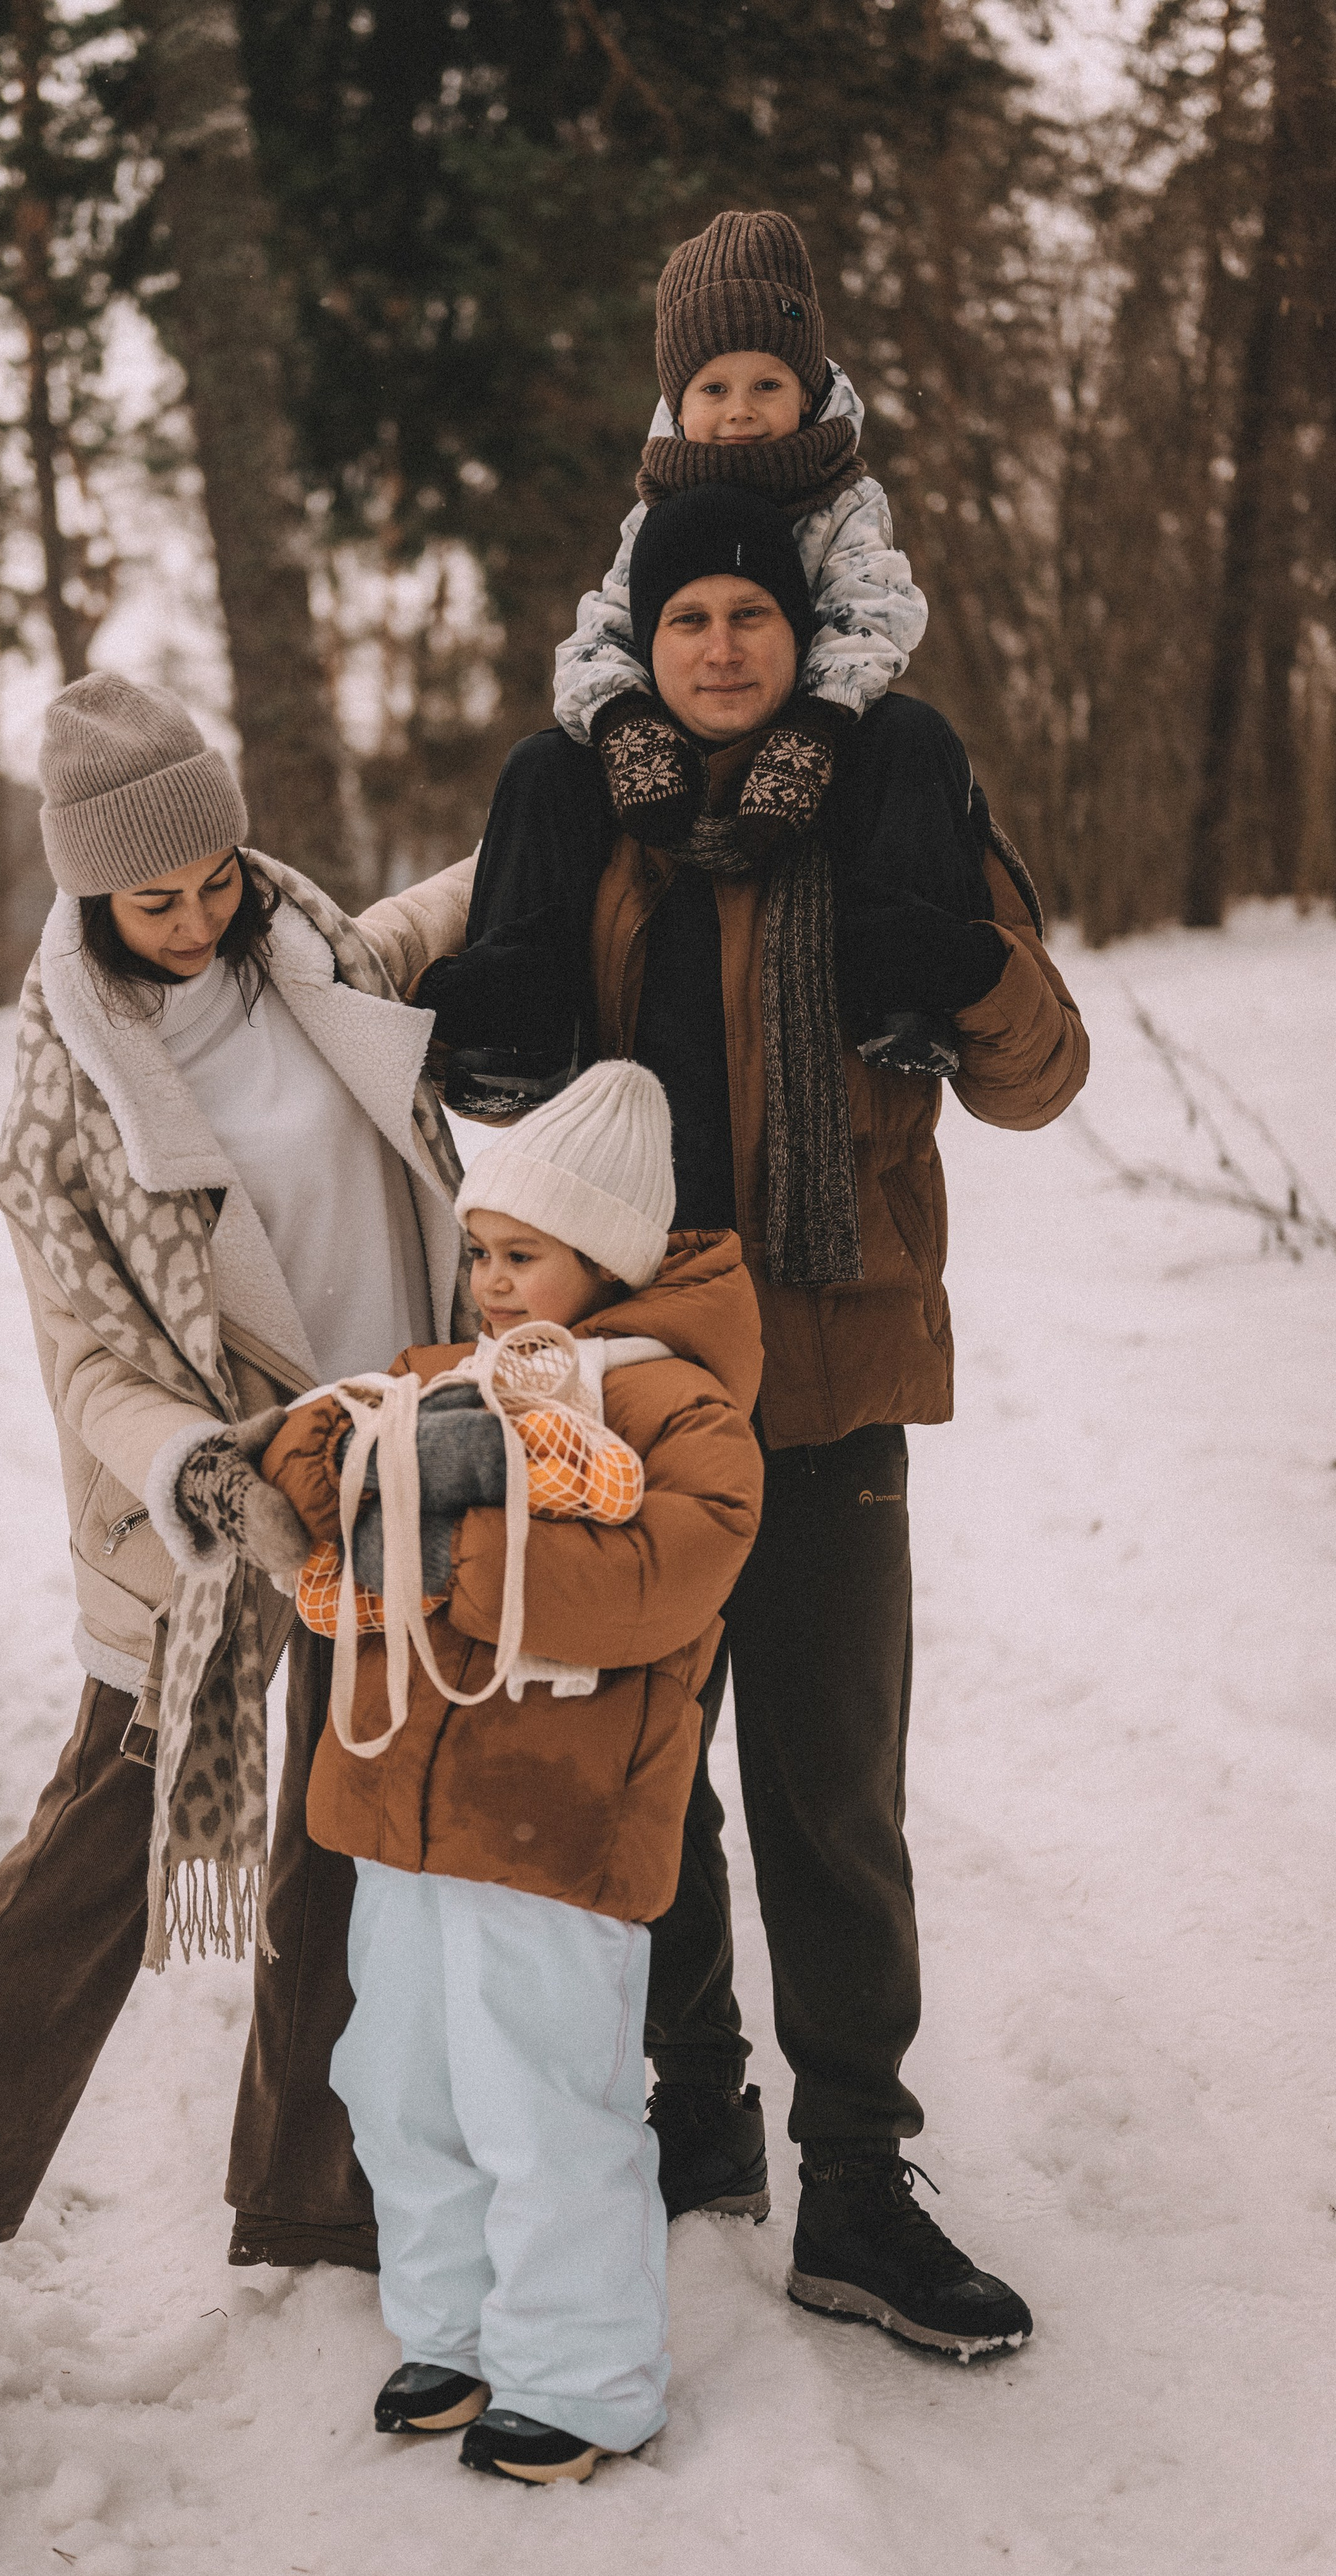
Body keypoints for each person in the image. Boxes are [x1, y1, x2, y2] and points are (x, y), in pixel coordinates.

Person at [249, 484, 1088, 2362]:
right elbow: (448, 1020)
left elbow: (1040, 1072)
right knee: (639, 1750)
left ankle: (861, 2178)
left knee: (831, 1784)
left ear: (803, 634)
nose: (722, 645)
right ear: (646, 631)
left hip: (833, 1372)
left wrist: (962, 963)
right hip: (614, 1385)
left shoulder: (889, 796)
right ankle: (689, 2105)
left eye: (754, 615)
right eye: (690, 614)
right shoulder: (578, 809)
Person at [0, 671, 474, 2379]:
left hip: (384, 1479)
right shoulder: (64, 1099)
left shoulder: (308, 959)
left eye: (215, 875)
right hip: (208, 1530)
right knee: (85, 1874)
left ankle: (316, 2197)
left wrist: (569, 788)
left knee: (355, 1846)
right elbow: (88, 1360)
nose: (194, 915)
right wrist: (208, 1472)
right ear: (88, 891)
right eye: (153, 896)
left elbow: (441, 909)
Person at [258, 1061, 764, 2483]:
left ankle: (583, 2375)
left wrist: (460, 1549)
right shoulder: (450, 1380)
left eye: (518, 1255)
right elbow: (317, 1445)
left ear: (604, 1259)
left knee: (542, 2095)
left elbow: (669, 1573)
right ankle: (455, 2329)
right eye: (477, 1251)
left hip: (552, 1824)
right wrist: (351, 1460)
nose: (484, 1281)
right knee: (399, 2079)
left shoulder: (683, 1414)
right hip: (398, 1815)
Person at [435, 206, 989, 1115]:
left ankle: (905, 977)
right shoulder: (653, 511)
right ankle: (518, 1014)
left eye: (767, 384)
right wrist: (624, 722)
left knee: (913, 739)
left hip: (820, 724)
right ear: (677, 401)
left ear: (805, 392)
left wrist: (815, 726)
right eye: (714, 389)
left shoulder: (844, 498)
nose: (741, 414)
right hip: (679, 736)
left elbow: (873, 617)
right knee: (541, 764)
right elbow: (600, 636)